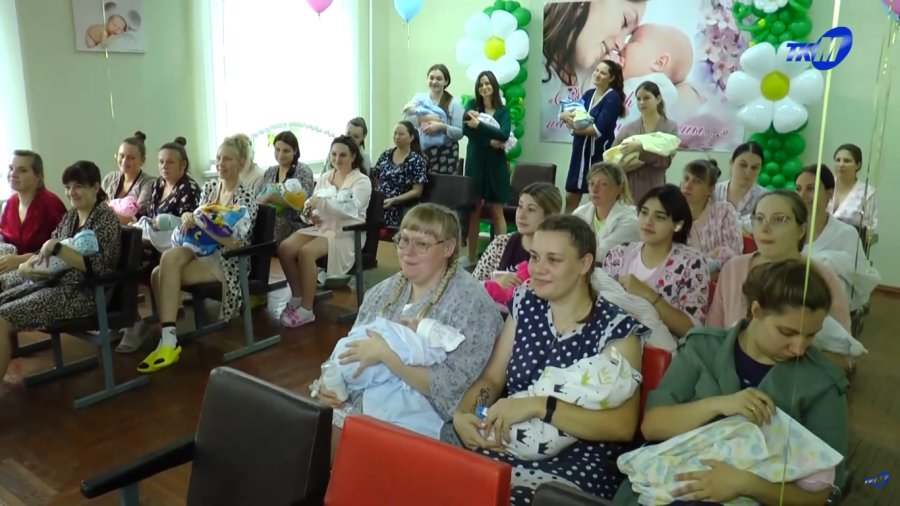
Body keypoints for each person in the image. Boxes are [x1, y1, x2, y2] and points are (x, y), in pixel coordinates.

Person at [614, 259, 848, 506]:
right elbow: (653, 426)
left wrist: (748, 484)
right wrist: (719, 404)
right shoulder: (702, 348)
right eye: (787, 333)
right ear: (757, 311)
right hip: (666, 484)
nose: (799, 348)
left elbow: (822, 493)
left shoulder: (822, 383)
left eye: (811, 335)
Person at [449, 215, 647, 504]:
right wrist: (463, 415)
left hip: (580, 461)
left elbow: (621, 427)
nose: (537, 269)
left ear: (584, 263)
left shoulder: (617, 330)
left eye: (553, 260)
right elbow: (492, 377)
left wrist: (540, 406)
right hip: (511, 441)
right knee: (442, 483)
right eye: (534, 256)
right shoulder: (525, 304)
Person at [314, 203, 504, 459]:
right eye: (404, 240)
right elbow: (350, 347)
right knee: (314, 432)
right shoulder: (381, 292)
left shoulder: (472, 304)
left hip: (425, 421)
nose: (408, 252)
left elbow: (454, 388)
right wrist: (328, 379)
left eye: (422, 244)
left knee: (343, 447)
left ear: (448, 248)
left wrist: (386, 355)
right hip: (363, 403)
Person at [137, 135, 259, 373]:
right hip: (198, 248)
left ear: (241, 163)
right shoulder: (210, 187)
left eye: (228, 159)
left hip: (226, 258)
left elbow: (236, 243)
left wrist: (205, 225)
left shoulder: (245, 197)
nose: (221, 163)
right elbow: (196, 218)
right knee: (166, 261)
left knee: (160, 275)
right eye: (219, 158)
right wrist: (187, 217)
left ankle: (168, 340)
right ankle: (169, 337)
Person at [0, 161, 121, 383]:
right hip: (53, 285)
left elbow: (99, 268)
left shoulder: (105, 219)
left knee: (2, 319)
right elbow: (46, 251)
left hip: (83, 294)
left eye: (78, 186)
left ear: (95, 187)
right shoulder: (71, 216)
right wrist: (27, 266)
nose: (71, 192)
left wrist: (58, 249)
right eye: (67, 187)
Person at [116, 137, 202, 354]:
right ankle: (130, 319)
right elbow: (150, 216)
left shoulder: (189, 188)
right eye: (161, 162)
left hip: (180, 247)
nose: (164, 166)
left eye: (170, 162)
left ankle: (135, 323)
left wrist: (159, 226)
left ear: (183, 164)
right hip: (154, 243)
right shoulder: (158, 184)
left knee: (129, 262)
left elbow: (190, 227)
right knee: (121, 256)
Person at [278, 135, 372, 328]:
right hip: (322, 227)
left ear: (353, 156)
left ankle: (307, 309)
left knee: (306, 253)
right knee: (285, 248)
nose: (337, 159)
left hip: (347, 232)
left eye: (343, 155)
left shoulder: (362, 181)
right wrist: (310, 215)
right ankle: (297, 295)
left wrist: (320, 203)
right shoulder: (325, 177)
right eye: (334, 154)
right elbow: (310, 205)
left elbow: (349, 209)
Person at [603, 185, 709, 338]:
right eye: (644, 212)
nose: (648, 221)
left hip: (663, 348)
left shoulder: (691, 263)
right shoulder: (618, 255)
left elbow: (692, 330)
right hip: (611, 342)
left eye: (659, 217)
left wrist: (648, 294)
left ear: (677, 225)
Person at [541, 0, 648, 143]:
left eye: (628, 35)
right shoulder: (530, 67)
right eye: (624, 21)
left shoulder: (593, 79)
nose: (621, 45)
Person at [563, 60, 626, 214]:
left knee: (598, 198)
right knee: (571, 196)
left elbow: (597, 130)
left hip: (598, 156)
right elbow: (574, 115)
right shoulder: (589, 94)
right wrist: (564, 116)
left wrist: (574, 127)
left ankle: (597, 229)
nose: (597, 75)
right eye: (596, 70)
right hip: (580, 153)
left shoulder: (612, 98)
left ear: (611, 78)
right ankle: (565, 226)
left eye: (603, 73)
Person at [0, 150, 67, 291]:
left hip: (40, 276)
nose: (13, 174)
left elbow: (64, 250)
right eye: (11, 168)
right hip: (9, 272)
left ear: (38, 177)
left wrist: (20, 260)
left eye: (22, 170)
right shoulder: (11, 203)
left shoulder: (51, 204)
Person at [463, 70, 512, 261]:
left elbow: (504, 134)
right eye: (481, 84)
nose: (484, 87)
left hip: (496, 165)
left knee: (497, 212)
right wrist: (489, 141)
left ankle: (501, 258)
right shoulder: (471, 106)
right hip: (475, 162)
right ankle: (471, 257)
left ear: (494, 86)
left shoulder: (503, 111)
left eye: (487, 83)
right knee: (473, 212)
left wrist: (480, 127)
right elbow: (467, 130)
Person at [472, 182, 562, 285]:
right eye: (520, 206)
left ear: (550, 216)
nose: (521, 215)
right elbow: (472, 285)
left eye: (531, 209)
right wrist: (495, 283)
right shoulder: (501, 243)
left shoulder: (560, 253)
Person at [611, 81, 680, 203]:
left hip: (655, 185)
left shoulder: (670, 127)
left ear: (658, 99)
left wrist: (641, 148)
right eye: (639, 99)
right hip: (630, 188)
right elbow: (611, 160)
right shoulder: (628, 129)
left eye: (646, 98)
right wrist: (621, 167)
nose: (642, 102)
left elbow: (665, 161)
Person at [679, 159, 743, 272]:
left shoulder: (723, 211)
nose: (687, 185)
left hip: (720, 279)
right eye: (686, 178)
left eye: (697, 181)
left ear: (710, 189)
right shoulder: (673, 214)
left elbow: (734, 255)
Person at [402, 64, 465, 174]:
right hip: (422, 152)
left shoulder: (455, 103)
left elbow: (460, 133)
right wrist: (426, 118)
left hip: (446, 154)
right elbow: (407, 120)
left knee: (442, 184)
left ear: (446, 81)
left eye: (439, 79)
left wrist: (441, 127)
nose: (434, 81)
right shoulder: (419, 98)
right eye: (431, 78)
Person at [572, 162, 639, 261]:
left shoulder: (630, 222)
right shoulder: (579, 214)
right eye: (591, 183)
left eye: (603, 184)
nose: (595, 190)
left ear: (619, 189)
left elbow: (602, 256)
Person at [259, 131, 315, 244]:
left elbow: (303, 203)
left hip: (294, 226)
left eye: (286, 151)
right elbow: (259, 197)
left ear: (295, 151)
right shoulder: (270, 172)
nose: (280, 155)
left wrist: (272, 197)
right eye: (277, 150)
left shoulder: (303, 171)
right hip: (269, 225)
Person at [370, 121, 428, 227]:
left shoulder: (416, 160)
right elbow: (375, 177)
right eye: (395, 133)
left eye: (401, 134)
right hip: (380, 202)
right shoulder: (385, 154)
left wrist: (394, 200)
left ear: (411, 137)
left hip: (400, 206)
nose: (397, 137)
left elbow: (417, 191)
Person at [102, 131, 156, 223]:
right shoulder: (110, 178)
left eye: (131, 158)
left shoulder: (148, 182)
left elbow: (138, 218)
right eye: (122, 156)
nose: (125, 161)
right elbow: (96, 205)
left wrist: (104, 216)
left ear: (142, 160)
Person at [713, 142, 768, 232]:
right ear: (731, 163)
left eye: (754, 168)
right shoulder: (713, 191)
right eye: (743, 165)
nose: (748, 172)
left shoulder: (766, 198)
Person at [829, 143, 878, 231]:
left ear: (858, 165)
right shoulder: (824, 185)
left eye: (847, 161)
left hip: (849, 238)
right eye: (838, 160)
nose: (841, 164)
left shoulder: (867, 192)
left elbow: (870, 228)